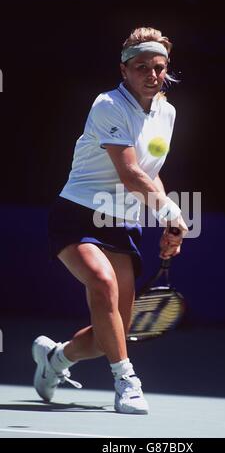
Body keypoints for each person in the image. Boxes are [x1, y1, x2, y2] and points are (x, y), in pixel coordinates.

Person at [32, 26, 188, 414]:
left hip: (123, 224)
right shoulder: (108, 105)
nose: (151, 75)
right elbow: (130, 173)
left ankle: (56, 358)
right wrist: (171, 211)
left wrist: (168, 224)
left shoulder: (167, 112)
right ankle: (126, 381)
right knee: (101, 282)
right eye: (141, 68)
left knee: (108, 335)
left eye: (158, 67)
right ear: (124, 71)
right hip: (78, 214)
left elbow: (150, 171)